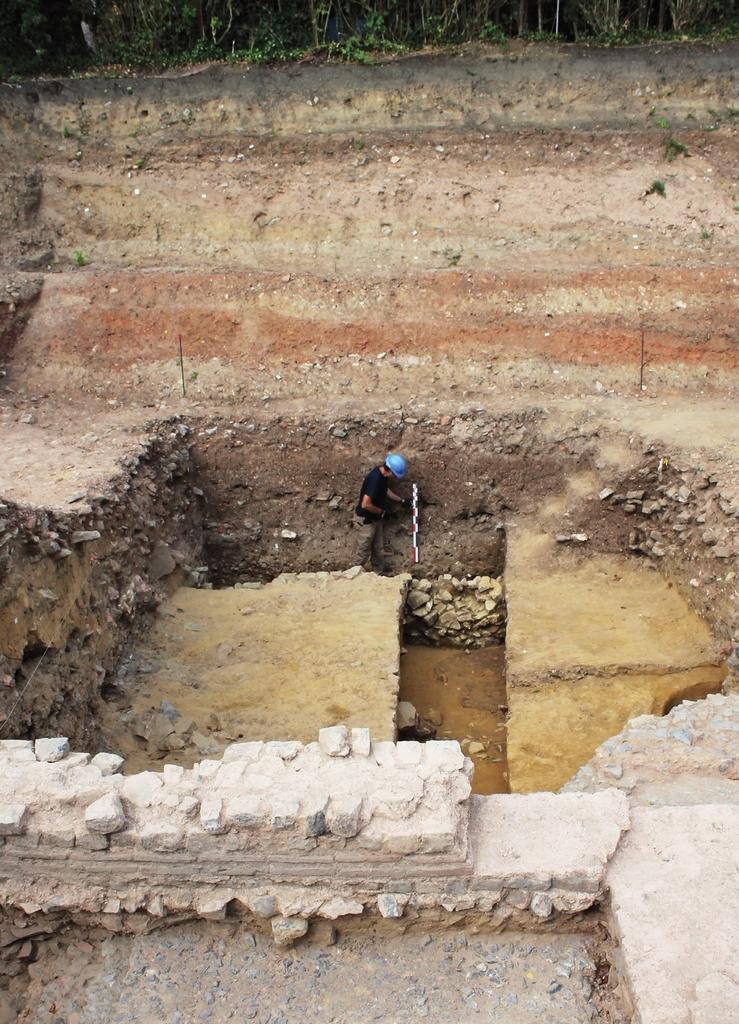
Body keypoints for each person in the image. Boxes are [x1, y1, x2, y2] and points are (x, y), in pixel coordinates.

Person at [354, 453, 411, 574]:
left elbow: (385, 490)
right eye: (394, 475)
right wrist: (381, 511)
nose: (394, 478)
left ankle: (378, 575)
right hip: (366, 521)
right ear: (389, 470)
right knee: (363, 552)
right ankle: (352, 579)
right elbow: (365, 504)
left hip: (375, 519)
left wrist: (401, 500)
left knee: (378, 550)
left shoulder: (382, 476)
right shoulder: (375, 479)